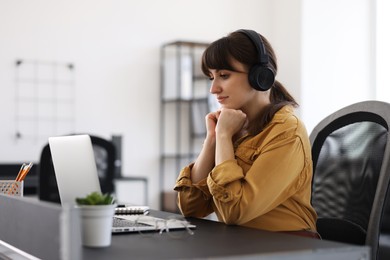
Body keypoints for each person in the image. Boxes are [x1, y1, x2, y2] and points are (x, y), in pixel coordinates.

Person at [173, 29, 318, 239]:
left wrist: (223, 136)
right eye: (211, 77)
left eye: (224, 75)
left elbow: (235, 211)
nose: (213, 88)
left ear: (260, 76)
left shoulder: (287, 131)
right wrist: (212, 138)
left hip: (286, 245)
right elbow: (190, 208)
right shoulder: (234, 127)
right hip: (242, 243)